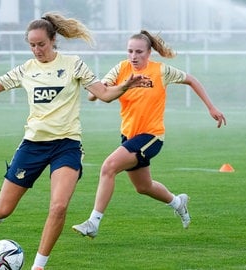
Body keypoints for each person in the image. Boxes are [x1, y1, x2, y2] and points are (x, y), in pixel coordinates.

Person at [0, 13, 151, 270]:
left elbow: (105, 94)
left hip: (66, 145)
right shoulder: (26, 70)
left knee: (59, 206)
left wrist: (126, 85)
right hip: (32, 146)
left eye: (41, 44)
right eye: (32, 45)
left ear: (53, 40)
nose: (36, 49)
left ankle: (38, 266)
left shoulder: (74, 65)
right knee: (5, 209)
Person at [72, 30, 226, 238]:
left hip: (151, 136)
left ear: (149, 52)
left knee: (108, 167)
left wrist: (211, 107)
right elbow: (93, 95)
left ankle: (93, 222)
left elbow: (192, 80)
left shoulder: (161, 71)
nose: (134, 56)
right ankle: (178, 202)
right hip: (129, 136)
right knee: (143, 187)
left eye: (139, 52)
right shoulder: (121, 68)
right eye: (130, 51)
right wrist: (120, 86)